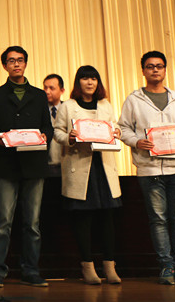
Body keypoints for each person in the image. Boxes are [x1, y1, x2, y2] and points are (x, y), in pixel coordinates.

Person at [118, 51, 175, 286]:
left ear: (165, 69)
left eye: (159, 66)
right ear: (143, 71)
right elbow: (123, 128)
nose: (155, 70)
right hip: (150, 172)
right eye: (150, 66)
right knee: (158, 220)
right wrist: (136, 141)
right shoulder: (134, 100)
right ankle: (166, 267)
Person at [0, 46, 52, 288]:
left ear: (26, 63)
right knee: (3, 222)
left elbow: (47, 126)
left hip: (34, 165)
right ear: (5, 66)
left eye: (20, 60)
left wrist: (45, 136)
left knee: (32, 223)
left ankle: (31, 271)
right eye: (11, 61)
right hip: (7, 165)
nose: (16, 64)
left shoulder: (39, 95)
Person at [53, 66, 122, 285]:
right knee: (83, 219)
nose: (89, 82)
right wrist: (70, 137)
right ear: (78, 82)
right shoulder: (68, 106)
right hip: (80, 166)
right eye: (85, 78)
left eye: (93, 78)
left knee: (107, 219)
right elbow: (57, 132)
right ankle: (87, 267)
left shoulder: (105, 105)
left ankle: (109, 266)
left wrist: (117, 132)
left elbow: (115, 126)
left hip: (104, 167)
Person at [43, 74, 66, 176]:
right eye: (45, 88)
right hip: (46, 166)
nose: (47, 91)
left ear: (62, 91)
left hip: (66, 164)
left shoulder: (69, 109)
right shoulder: (39, 110)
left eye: (51, 88)